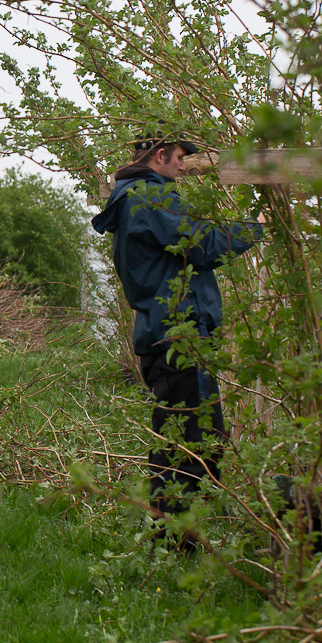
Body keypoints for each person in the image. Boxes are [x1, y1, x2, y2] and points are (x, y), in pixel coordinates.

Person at [90, 134, 262, 547]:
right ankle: (173, 543)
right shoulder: (149, 199)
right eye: (182, 158)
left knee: (199, 435)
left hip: (174, 332)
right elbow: (201, 244)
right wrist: (254, 228)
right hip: (176, 333)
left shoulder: (141, 197)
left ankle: (182, 536)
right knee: (188, 442)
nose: (186, 166)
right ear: (161, 155)